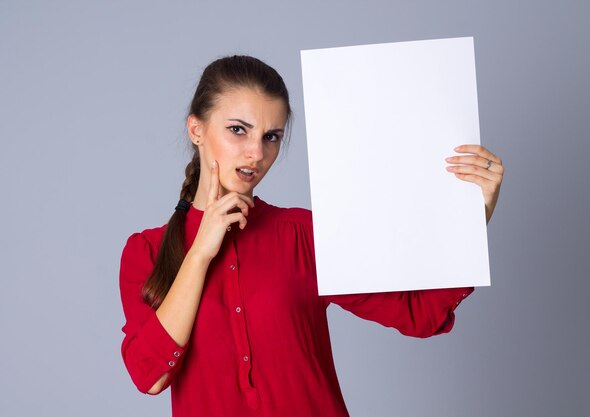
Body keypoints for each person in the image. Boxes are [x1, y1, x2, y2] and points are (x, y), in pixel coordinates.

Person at [119, 55, 504, 417]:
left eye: (271, 137)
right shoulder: (147, 252)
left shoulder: (304, 235)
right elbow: (150, 376)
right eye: (238, 130)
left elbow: (418, 314)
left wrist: (471, 214)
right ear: (196, 129)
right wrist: (200, 253)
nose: (256, 152)